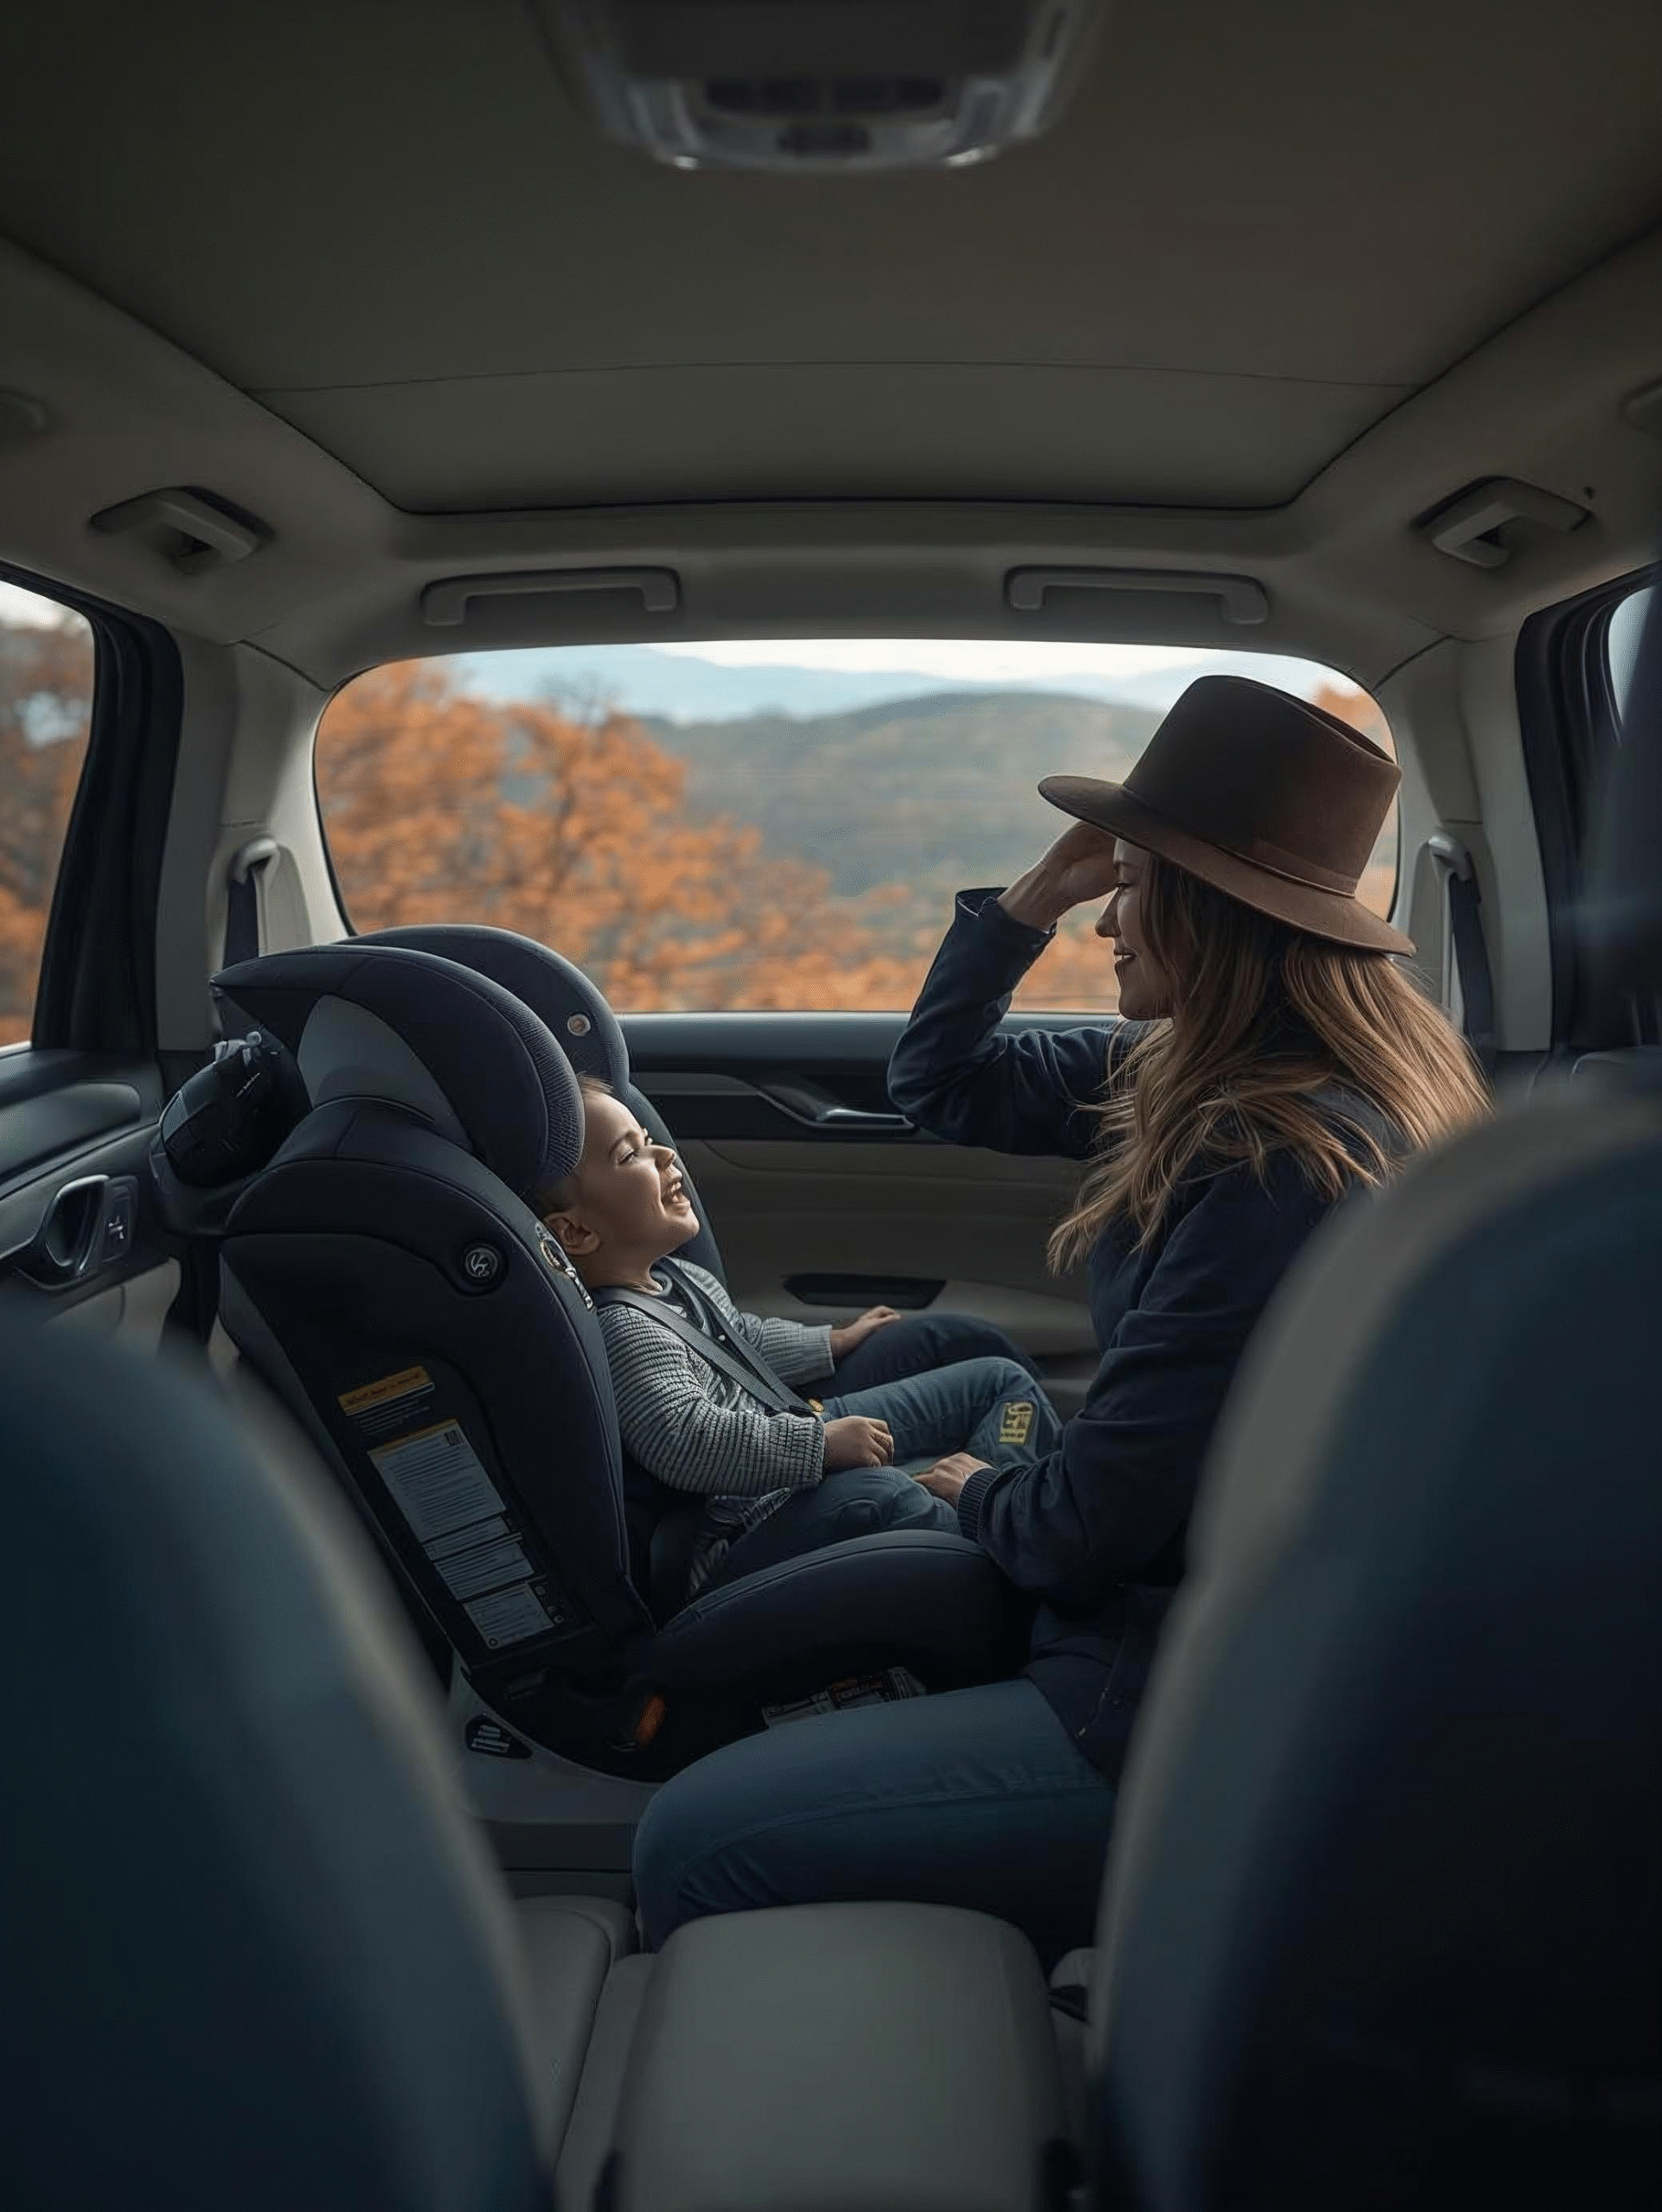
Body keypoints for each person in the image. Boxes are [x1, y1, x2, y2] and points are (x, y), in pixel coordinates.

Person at [632, 674, 1491, 1965]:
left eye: (1136, 886)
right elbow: (946, 1079)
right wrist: (1035, 896)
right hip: (1175, 1625)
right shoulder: (1194, 1076)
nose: (1109, 920)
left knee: (691, 1841)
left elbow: (1094, 1526)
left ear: (1215, 914)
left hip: (1184, 1700)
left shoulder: (1276, 1158)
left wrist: (979, 1490)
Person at [537, 1077, 1062, 1609]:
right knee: (890, 1496)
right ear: (577, 1234)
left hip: (787, 1429)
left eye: (648, 1138)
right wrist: (821, 1445)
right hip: (746, 1515)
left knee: (1001, 1382)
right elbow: (687, 1444)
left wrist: (833, 1340)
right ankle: (996, 1554)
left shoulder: (673, 1278)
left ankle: (1005, 1500)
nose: (666, 1153)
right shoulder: (627, 1330)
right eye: (631, 1156)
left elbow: (744, 1341)